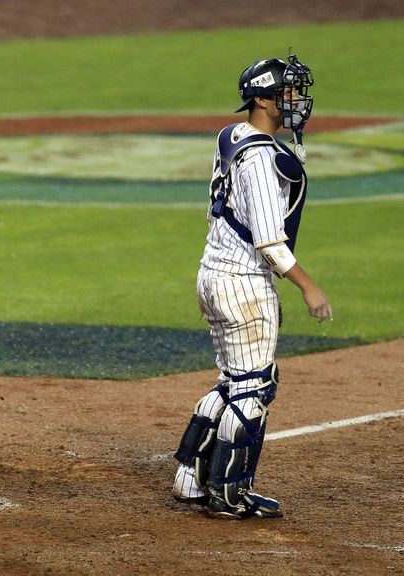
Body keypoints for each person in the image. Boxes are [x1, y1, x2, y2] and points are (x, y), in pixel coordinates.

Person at [171, 53, 333, 519]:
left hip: (214, 274)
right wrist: (307, 286)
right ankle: (229, 493)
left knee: (235, 380)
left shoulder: (232, 135)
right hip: (243, 283)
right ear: (262, 99)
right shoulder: (262, 160)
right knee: (254, 388)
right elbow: (269, 241)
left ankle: (190, 477)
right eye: (287, 92)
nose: (297, 100)